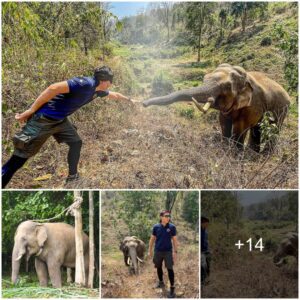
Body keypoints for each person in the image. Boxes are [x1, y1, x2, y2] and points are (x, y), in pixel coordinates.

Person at [2, 66, 133, 188]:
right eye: (110, 81)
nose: (111, 84)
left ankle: (72, 177)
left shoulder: (98, 91)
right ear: (104, 81)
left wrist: (130, 100)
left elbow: (114, 95)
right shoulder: (85, 84)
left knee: (76, 142)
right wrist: (30, 110)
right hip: (43, 120)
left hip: (60, 121)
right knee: (18, 160)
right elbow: (53, 88)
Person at [148, 210, 178, 298]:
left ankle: (172, 288)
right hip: (158, 251)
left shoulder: (172, 227)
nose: (168, 218)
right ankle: (161, 282)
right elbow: (152, 239)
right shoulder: (156, 227)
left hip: (168, 252)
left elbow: (175, 240)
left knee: (170, 269)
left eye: (169, 216)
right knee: (158, 266)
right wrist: (150, 250)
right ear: (161, 217)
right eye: (166, 216)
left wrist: (175, 252)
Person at [201, 216, 211, 285]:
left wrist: (209, 249)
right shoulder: (200, 231)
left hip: (206, 250)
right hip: (201, 251)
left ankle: (205, 279)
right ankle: (202, 281)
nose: (207, 225)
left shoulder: (205, 231)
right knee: (203, 266)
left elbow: (206, 241)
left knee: (208, 266)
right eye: (206, 224)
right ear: (202, 223)